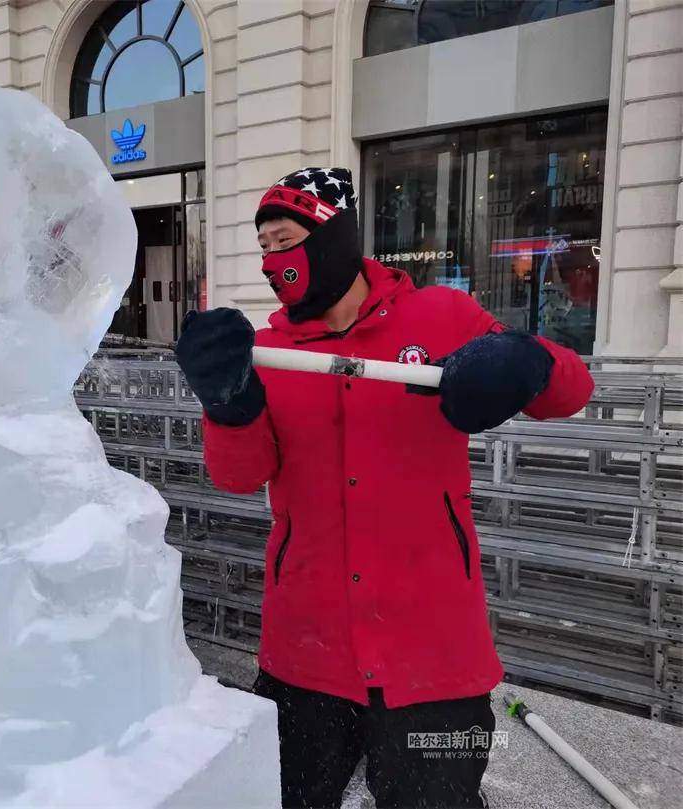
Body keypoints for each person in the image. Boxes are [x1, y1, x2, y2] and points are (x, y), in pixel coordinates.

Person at [174, 168, 594, 809]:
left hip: (434, 656)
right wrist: (227, 402)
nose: (271, 263)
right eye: (262, 249)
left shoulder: (442, 315)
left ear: (331, 238)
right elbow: (239, 475)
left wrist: (525, 360)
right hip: (306, 654)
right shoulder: (269, 351)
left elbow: (572, 391)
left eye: (282, 241)